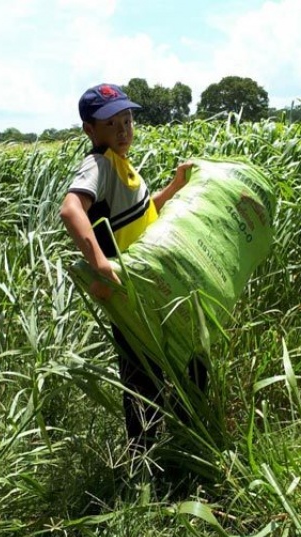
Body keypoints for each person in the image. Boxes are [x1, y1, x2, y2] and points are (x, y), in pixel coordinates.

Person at [60, 83, 207, 457]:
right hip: (130, 294)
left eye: (127, 120)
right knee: (143, 378)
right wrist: (98, 261)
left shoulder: (122, 164)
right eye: (112, 124)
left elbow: (144, 214)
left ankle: (186, 441)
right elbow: (70, 209)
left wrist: (173, 186)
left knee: (186, 360)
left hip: (151, 288)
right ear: (90, 130)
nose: (124, 130)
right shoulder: (98, 165)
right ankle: (143, 462)